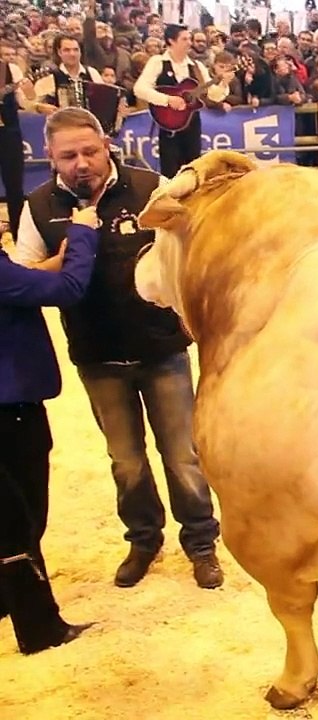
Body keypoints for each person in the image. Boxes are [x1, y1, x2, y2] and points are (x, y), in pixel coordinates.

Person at [12, 108, 223, 590]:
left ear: (107, 143)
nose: (82, 163)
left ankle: (201, 543)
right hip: (96, 354)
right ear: (51, 156)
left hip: (161, 347)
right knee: (125, 460)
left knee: (183, 455)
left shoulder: (152, 185)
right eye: (69, 155)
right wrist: (63, 261)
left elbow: (194, 245)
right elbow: (24, 277)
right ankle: (144, 540)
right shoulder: (38, 205)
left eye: (90, 150)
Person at [0, 193, 99, 654]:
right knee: (21, 521)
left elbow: (17, 280)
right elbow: (69, 291)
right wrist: (82, 232)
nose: (2, 216)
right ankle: (40, 628)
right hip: (11, 410)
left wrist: (46, 264)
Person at [133, 25, 211, 178]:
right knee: (170, 173)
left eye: (190, 39)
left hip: (192, 124)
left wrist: (223, 84)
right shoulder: (158, 62)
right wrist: (167, 100)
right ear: (171, 41)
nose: (189, 42)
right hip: (169, 125)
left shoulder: (197, 66)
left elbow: (213, 95)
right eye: (184, 39)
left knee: (193, 170)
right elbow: (140, 88)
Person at [1, 43, 36, 228]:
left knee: (14, 186)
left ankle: (19, 233)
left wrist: (31, 92)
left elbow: (26, 101)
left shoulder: (10, 70)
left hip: (8, 134)